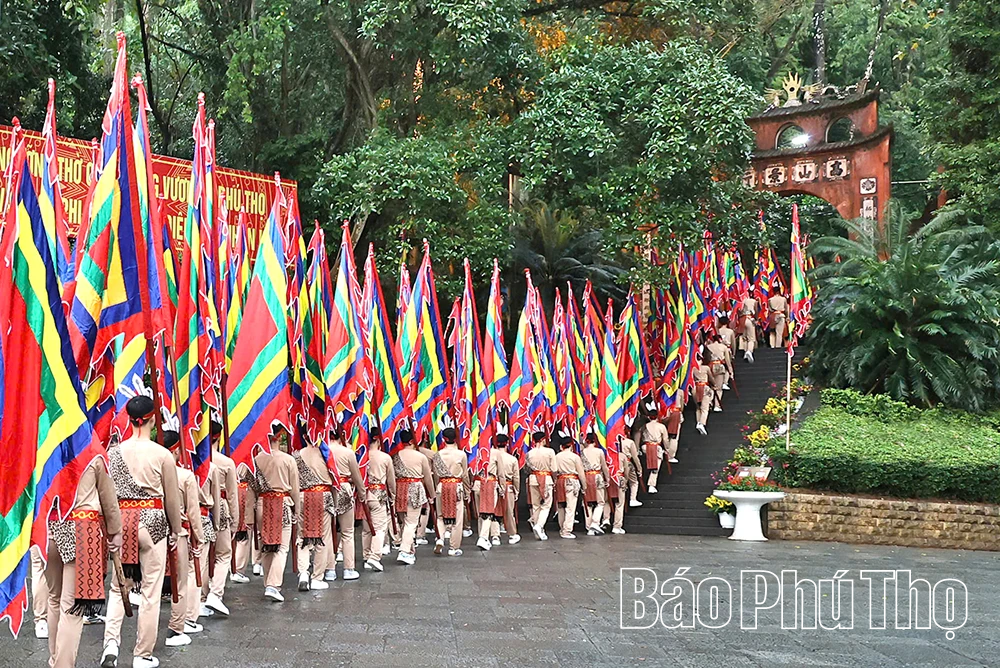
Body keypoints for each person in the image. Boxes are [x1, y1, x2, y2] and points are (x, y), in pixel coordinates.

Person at [102, 396, 183, 668]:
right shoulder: (162, 454)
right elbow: (172, 500)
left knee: (117, 587)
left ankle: (111, 645)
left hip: (123, 521)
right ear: (152, 419)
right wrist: (176, 530)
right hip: (153, 521)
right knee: (150, 591)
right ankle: (142, 654)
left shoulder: (112, 454)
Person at [45, 456, 122, 668]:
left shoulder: (46, 438)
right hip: (82, 527)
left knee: (53, 598)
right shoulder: (93, 450)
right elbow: (108, 496)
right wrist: (115, 530)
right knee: (72, 607)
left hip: (49, 525)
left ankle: (55, 660)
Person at [245, 428, 300, 602]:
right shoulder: (288, 459)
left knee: (266, 546)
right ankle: (273, 585)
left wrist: (248, 517)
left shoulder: (256, 460)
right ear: (280, 436)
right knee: (282, 548)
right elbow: (295, 489)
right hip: (282, 503)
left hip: (262, 503)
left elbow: (250, 491)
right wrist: (297, 510)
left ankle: (269, 582)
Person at [161, 431, 205, 648]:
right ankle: (177, 626)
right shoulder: (185, 476)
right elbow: (193, 512)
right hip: (178, 533)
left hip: (152, 531)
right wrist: (199, 536)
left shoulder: (150, 471)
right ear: (176, 450)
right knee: (182, 580)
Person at [293, 434, 337, 591]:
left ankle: (303, 573)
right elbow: (335, 479)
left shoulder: (296, 456)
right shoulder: (326, 453)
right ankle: (317, 577)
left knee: (302, 538)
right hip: (323, 496)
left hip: (303, 496)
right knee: (322, 538)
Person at [203, 420, 237, 617]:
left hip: (199, 508)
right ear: (218, 437)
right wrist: (235, 521)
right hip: (221, 507)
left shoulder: (195, 461)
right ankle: (216, 593)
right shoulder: (226, 462)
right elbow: (232, 495)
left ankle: (201, 596)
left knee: (202, 553)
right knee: (224, 554)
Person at [328, 427, 367, 581]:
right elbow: (357, 476)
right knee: (347, 532)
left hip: (327, 490)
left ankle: (329, 569)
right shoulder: (347, 452)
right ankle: (348, 568)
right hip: (344, 489)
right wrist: (362, 493)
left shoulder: (322, 451)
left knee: (328, 532)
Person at [393, 429, 434, 565]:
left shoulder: (395, 455)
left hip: (400, 488)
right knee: (411, 522)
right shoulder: (420, 457)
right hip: (415, 488)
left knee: (404, 522)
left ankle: (409, 550)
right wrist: (431, 494)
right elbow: (427, 478)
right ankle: (404, 551)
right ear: (412, 441)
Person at [431, 425, 470, 556]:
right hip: (456, 486)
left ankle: (440, 538)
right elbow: (464, 475)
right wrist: (467, 491)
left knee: (440, 516)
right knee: (457, 520)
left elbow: (436, 475)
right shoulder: (461, 454)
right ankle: (453, 547)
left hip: (442, 486)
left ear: (444, 439)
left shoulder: (438, 455)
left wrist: (438, 487)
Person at [362, 428, 395, 571]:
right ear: (378, 440)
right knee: (380, 528)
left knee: (366, 529)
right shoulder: (385, 457)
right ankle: (374, 556)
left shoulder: (361, 455)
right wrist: (393, 495)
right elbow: (391, 480)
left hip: (363, 495)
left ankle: (366, 555)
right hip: (378, 494)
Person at [475, 436, 510, 551]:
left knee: (482, 513)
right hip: (489, 482)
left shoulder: (475, 451)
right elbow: (500, 473)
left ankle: (484, 535)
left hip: (477, 482)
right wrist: (503, 487)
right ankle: (483, 537)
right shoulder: (495, 453)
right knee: (489, 512)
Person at [611, 417, 644, 534]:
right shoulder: (629, 442)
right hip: (625, 465)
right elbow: (635, 457)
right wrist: (639, 469)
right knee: (634, 482)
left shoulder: (610, 445)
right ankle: (633, 498)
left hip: (612, 472)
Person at [524, 430, 557, 541]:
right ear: (543, 440)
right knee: (547, 505)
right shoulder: (550, 451)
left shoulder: (529, 453)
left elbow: (526, 469)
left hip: (533, 479)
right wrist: (555, 478)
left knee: (535, 505)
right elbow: (554, 469)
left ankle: (538, 529)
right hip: (546, 478)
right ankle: (539, 525)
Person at [554, 433, 587, 539]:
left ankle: (561, 527)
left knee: (561, 506)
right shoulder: (575, 457)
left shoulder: (556, 457)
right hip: (572, 481)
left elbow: (554, 471)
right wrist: (584, 486)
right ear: (571, 446)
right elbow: (581, 473)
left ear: (561, 446)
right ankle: (567, 530)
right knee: (570, 507)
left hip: (560, 481)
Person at [580, 431, 610, 536]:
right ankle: (595, 522)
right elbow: (604, 466)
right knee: (600, 502)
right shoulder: (599, 451)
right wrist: (608, 478)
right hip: (597, 476)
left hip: (586, 477)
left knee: (587, 503)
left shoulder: (581, 452)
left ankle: (589, 527)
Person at [230, 461, 255, 583]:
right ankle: (238, 569)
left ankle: (233, 566)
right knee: (244, 536)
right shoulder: (248, 458)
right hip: (245, 493)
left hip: (233, 493)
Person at [495, 436, 521, 545]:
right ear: (506, 444)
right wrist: (517, 490)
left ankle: (495, 536)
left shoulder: (491, 457)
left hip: (494, 485)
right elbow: (516, 477)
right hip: (508, 486)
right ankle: (512, 534)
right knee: (509, 512)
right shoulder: (512, 459)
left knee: (494, 511)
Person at [639, 403, 670, 492]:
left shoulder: (644, 426)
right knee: (655, 466)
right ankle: (651, 485)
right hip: (656, 447)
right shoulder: (661, 426)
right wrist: (667, 449)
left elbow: (639, 436)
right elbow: (665, 439)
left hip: (645, 446)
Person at [414, 436, 436, 547]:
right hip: (422, 482)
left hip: (408, 483)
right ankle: (420, 534)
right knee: (424, 509)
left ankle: (414, 534)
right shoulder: (429, 453)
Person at [706, 333, 734, 411]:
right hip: (719, 366)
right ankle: (717, 405)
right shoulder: (723, 347)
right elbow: (728, 361)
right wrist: (730, 370)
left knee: (711, 386)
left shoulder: (708, 347)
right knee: (719, 388)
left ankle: (709, 402)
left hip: (710, 367)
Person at [31, 546, 48, 639]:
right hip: (62, 534)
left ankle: (42, 620)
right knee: (67, 566)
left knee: (38, 566)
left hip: (37, 532)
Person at [692, 356, 712, 436]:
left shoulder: (693, 369)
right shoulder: (706, 368)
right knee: (705, 408)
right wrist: (714, 384)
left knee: (698, 408)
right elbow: (710, 377)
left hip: (695, 388)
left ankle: (698, 422)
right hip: (704, 387)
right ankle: (702, 423)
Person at [739, 289, 759, 362]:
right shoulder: (754, 301)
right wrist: (756, 319)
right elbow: (756, 311)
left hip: (742, 319)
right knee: (751, 338)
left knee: (745, 337)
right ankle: (749, 351)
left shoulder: (740, 301)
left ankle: (745, 351)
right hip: (750, 319)